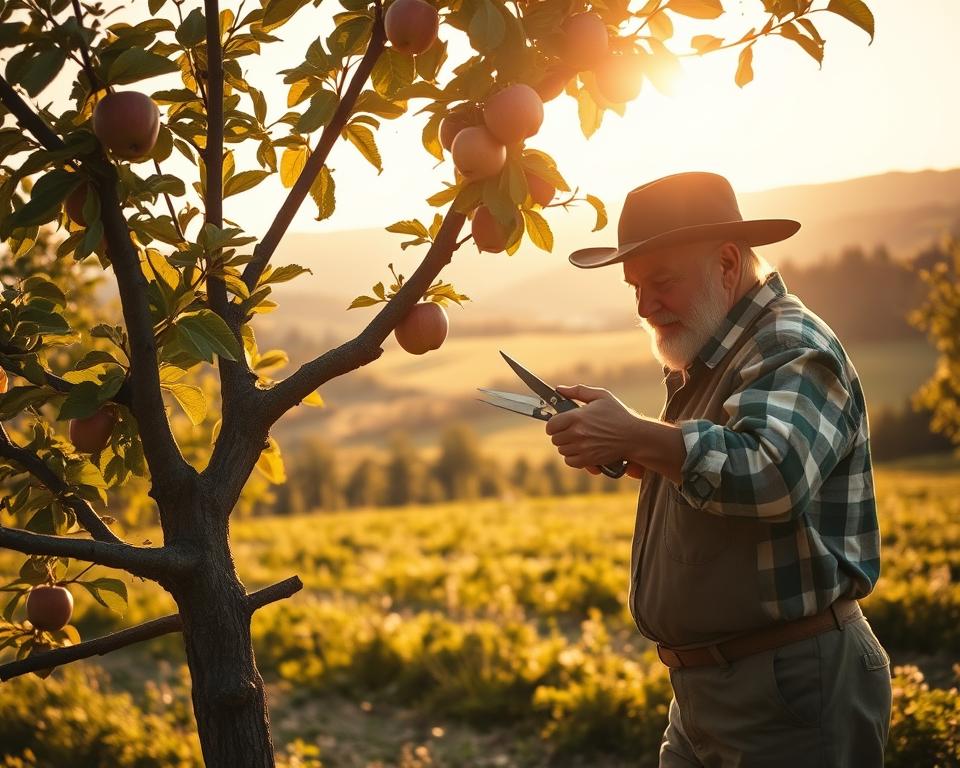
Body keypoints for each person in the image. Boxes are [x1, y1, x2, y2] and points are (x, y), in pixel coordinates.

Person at [544, 171, 892, 767]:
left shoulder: (788, 343)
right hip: (710, 693)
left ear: (728, 264)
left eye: (662, 282)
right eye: (634, 286)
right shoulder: (715, 356)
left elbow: (771, 473)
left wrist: (638, 433)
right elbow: (719, 471)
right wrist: (639, 454)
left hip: (787, 692)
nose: (644, 306)